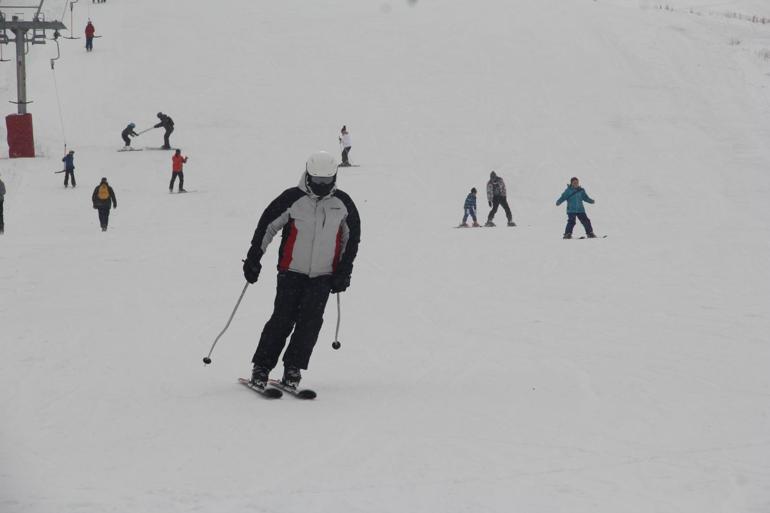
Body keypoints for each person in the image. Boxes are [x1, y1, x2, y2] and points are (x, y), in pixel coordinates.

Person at [242, 151, 361, 390]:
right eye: (317, 181)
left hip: (323, 275)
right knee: (282, 319)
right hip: (291, 271)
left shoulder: (343, 204)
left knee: (310, 323)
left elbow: (352, 238)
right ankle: (262, 367)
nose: (321, 186)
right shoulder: (292, 198)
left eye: (326, 182)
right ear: (308, 175)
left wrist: (344, 270)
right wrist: (255, 257)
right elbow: (267, 226)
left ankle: (293, 369)